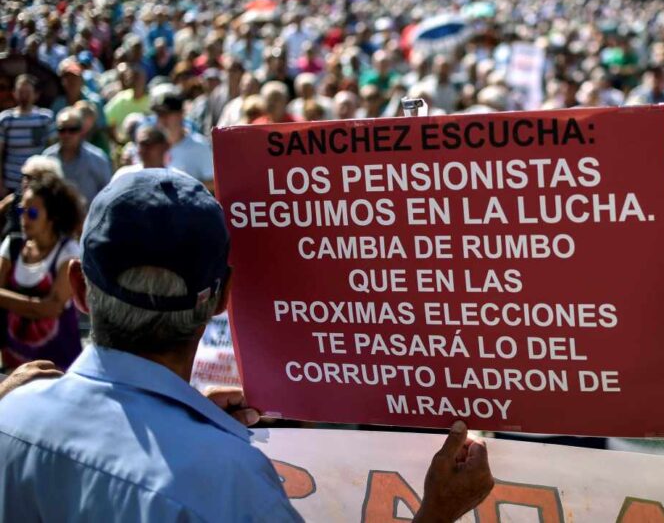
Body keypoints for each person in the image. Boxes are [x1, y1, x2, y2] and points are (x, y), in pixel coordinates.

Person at [0, 170, 494, 520]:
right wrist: (437, 512)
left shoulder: (12, 417)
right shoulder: (233, 485)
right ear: (222, 299)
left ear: (80, 290)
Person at [0, 173, 84, 371]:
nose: (24, 219)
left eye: (33, 213)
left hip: (59, 371)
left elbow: (50, 308)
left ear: (52, 217)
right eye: (22, 210)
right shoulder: (12, 246)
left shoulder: (68, 252)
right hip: (14, 370)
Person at [41, 108, 112, 208]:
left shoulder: (98, 159)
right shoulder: (47, 158)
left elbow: (107, 194)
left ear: (81, 131)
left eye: (72, 130)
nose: (67, 135)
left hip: (88, 221)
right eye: (62, 130)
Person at [0, 75, 56, 194]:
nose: (24, 95)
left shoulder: (45, 118)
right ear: (14, 93)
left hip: (38, 183)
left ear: (36, 94)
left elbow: (53, 150)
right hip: (11, 184)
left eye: (27, 92)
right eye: (20, 91)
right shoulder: (6, 119)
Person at [151, 88, 214, 190]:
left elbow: (214, 183)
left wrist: (183, 186)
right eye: (159, 115)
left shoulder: (199, 146)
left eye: (166, 114)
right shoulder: (152, 146)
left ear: (180, 114)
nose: (162, 119)